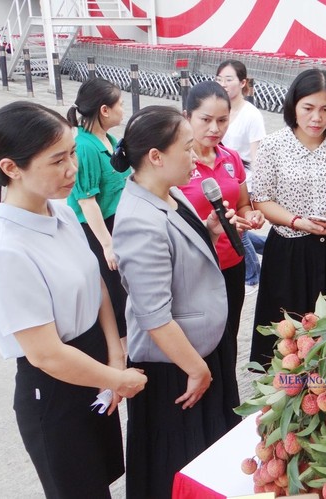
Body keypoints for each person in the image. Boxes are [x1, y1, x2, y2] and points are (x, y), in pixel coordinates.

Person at [0, 101, 147, 498]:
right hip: (55, 390)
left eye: (72, 152)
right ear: (10, 168)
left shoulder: (62, 212)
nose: (72, 168)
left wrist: (114, 354)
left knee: (100, 482)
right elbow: (46, 355)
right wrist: (116, 378)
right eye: (57, 160)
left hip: (94, 366)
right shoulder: (7, 250)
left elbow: (97, 285)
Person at [111, 106, 241, 498]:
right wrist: (197, 369)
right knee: (177, 461)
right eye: (187, 148)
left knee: (207, 455)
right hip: (176, 366)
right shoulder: (137, 220)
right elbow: (153, 315)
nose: (196, 154)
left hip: (199, 353)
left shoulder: (170, 193)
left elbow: (182, 254)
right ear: (155, 157)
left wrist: (210, 229)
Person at [249, 69, 326, 364]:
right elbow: (261, 199)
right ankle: (283, 390)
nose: (317, 118)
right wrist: (295, 221)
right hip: (289, 249)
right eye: (308, 108)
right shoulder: (273, 146)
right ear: (294, 106)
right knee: (287, 337)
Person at [179, 80, 264, 388]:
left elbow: (243, 204)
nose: (215, 128)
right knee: (202, 343)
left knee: (228, 337)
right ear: (187, 116)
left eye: (223, 120)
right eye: (206, 119)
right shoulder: (177, 163)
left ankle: (227, 397)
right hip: (195, 271)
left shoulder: (230, 160)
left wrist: (251, 217)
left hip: (231, 265)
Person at [66, 78, 129, 346]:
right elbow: (87, 201)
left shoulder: (110, 140)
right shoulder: (85, 147)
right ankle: (119, 358)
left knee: (124, 292)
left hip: (116, 224)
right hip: (98, 230)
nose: (123, 110)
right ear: (105, 110)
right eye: (120, 105)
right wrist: (107, 244)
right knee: (114, 296)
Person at [216, 59, 267, 294]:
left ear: (242, 82)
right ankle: (268, 247)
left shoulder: (251, 115)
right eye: (220, 79)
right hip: (219, 179)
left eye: (229, 79)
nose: (224, 84)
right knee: (236, 227)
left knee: (235, 226)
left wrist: (257, 188)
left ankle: (252, 274)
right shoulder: (220, 110)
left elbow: (258, 155)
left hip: (242, 180)